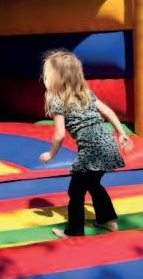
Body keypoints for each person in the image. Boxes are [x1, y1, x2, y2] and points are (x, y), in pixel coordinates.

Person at [38, 49, 133, 238]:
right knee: (93, 184)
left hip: (92, 150)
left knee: (76, 190)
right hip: (108, 143)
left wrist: (50, 154)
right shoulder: (86, 94)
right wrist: (122, 133)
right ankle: (108, 220)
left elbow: (59, 135)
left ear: (56, 78)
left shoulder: (58, 101)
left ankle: (74, 231)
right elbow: (107, 111)